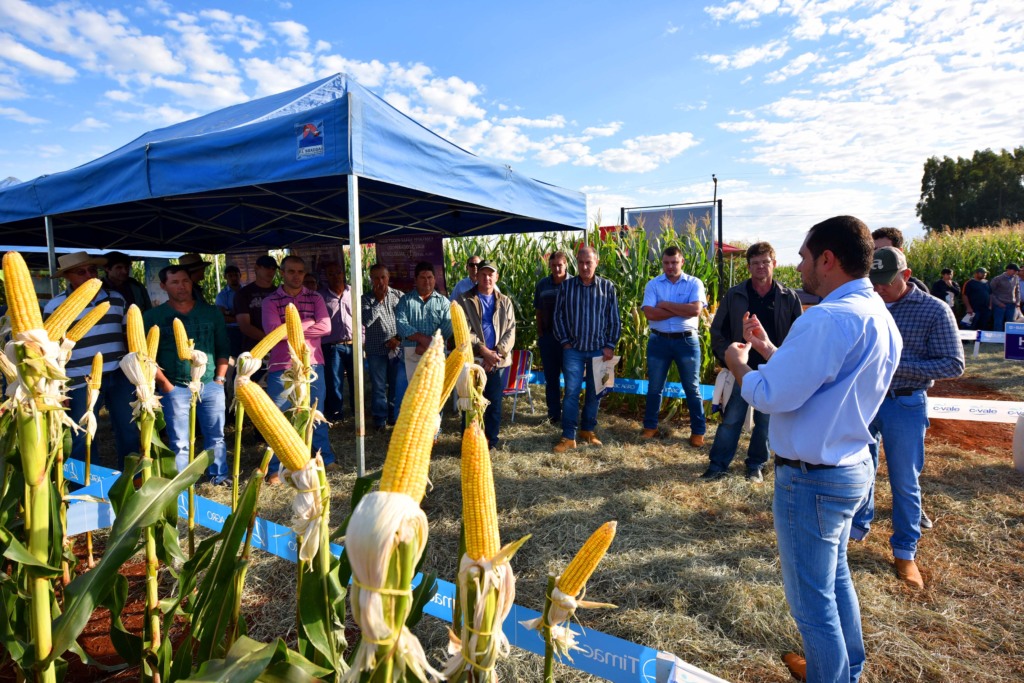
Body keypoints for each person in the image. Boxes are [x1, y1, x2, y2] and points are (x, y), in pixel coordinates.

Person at [724, 215, 901, 683]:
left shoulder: (826, 318)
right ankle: (847, 668)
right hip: (848, 467)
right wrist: (769, 349)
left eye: (803, 256)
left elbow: (771, 396)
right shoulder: (876, 314)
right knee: (835, 579)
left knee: (811, 602)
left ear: (828, 259)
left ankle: (831, 675)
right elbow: (823, 383)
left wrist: (741, 365)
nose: (798, 267)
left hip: (811, 477)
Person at [850, 247, 964, 590]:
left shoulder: (934, 310)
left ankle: (904, 552)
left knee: (904, 481)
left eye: (886, 282)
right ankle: (857, 528)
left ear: (907, 275)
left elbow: (954, 364)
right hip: (866, 401)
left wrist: (896, 366)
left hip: (905, 402)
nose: (880, 289)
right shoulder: (867, 305)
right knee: (858, 469)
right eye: (874, 282)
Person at [704, 242, 802, 482]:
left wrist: (786, 364)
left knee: (765, 422)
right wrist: (729, 359)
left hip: (773, 369)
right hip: (742, 370)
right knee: (732, 419)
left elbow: (799, 336)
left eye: (765, 262)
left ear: (774, 264)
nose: (760, 267)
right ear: (748, 267)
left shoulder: (789, 297)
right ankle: (717, 465)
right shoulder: (735, 295)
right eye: (755, 263)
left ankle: (755, 465)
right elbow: (718, 331)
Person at [44, 251, 139, 468]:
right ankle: (85, 489)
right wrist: (57, 389)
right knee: (81, 436)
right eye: (81, 272)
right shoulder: (54, 306)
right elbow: (48, 350)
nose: (89, 275)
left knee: (130, 428)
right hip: (78, 378)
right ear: (67, 277)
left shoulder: (116, 298)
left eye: (92, 270)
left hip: (118, 375)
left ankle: (132, 480)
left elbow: (128, 337)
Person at [144, 264, 231, 485]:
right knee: (180, 440)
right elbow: (145, 356)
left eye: (185, 281)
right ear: (164, 286)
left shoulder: (211, 313)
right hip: (175, 385)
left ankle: (218, 477)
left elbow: (222, 348)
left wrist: (220, 380)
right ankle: (181, 481)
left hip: (210, 383)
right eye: (174, 282)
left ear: (191, 283)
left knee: (216, 435)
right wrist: (164, 384)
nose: (181, 286)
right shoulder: (154, 316)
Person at [262, 255, 336, 481]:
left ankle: (324, 459)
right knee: (280, 417)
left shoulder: (315, 298)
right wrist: (306, 324)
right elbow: (274, 331)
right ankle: (275, 467)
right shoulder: (270, 301)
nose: (296, 276)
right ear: (282, 273)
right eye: (291, 271)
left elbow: (326, 327)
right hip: (282, 365)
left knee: (316, 413)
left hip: (312, 363)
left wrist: (292, 328)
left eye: (300, 272)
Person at [552, 246, 621, 453]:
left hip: (599, 351)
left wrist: (609, 346)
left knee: (595, 392)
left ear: (596, 262)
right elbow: (558, 317)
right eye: (580, 262)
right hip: (573, 350)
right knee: (572, 392)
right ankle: (568, 435)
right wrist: (565, 342)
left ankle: (588, 430)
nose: (584, 266)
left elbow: (614, 320)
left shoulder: (608, 288)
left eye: (588, 262)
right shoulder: (566, 287)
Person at [640, 245, 707, 447]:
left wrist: (665, 305)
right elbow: (650, 314)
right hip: (659, 340)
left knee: (692, 388)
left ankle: (698, 432)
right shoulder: (653, 284)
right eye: (666, 263)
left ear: (682, 262)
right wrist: (680, 310)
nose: (670, 266)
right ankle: (650, 427)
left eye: (674, 262)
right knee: (654, 387)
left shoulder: (694, 283)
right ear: (662, 263)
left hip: (686, 341)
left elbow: (695, 310)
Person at [457, 260, 516, 449]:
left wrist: (496, 354)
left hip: (497, 362)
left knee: (493, 404)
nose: (487, 278)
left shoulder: (505, 301)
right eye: (483, 274)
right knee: (471, 403)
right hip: (474, 361)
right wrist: (483, 351)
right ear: (477, 276)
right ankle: (469, 440)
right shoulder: (464, 300)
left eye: (491, 274)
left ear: (496, 277)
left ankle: (490, 441)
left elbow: (511, 331)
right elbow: (463, 330)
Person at [362, 264, 406, 430]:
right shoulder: (365, 299)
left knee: (396, 384)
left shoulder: (398, 296)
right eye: (376, 278)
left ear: (388, 278)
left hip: (396, 348)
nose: (380, 281)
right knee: (379, 386)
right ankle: (380, 419)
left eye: (383, 277)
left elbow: (405, 320)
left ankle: (394, 417)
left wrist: (398, 338)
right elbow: (366, 320)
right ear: (371, 279)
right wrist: (379, 302)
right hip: (376, 351)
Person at [396, 261, 454, 380]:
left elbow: (447, 327)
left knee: (433, 396)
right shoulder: (405, 301)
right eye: (422, 277)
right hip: (411, 354)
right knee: (408, 396)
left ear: (435, 279)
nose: (426, 281)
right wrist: (422, 339)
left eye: (429, 277)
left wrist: (429, 345)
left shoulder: (444, 302)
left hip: (435, 355)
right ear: (416, 280)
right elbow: (401, 324)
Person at [534, 251, 571, 425]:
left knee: (572, 379)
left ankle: (570, 414)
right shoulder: (542, 285)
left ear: (566, 265)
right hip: (548, 338)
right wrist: (540, 333)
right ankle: (554, 415)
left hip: (570, 341)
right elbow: (538, 311)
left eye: (560, 265)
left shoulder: (574, 284)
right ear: (549, 266)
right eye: (554, 265)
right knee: (552, 379)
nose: (557, 268)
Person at [318, 261, 354, 422]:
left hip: (354, 345)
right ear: (326, 277)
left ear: (343, 273)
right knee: (334, 382)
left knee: (356, 380)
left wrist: (363, 339)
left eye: (338, 273)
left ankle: (356, 411)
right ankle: (336, 414)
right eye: (331, 274)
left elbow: (361, 319)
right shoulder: (321, 297)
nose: (335, 277)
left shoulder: (353, 293)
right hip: (333, 347)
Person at [234, 255, 279, 354]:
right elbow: (245, 326)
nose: (271, 271)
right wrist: (270, 340)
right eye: (267, 267)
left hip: (278, 349)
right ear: (256, 268)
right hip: (254, 349)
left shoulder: (279, 292)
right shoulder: (244, 293)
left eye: (273, 269)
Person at [871, 227, 928, 292]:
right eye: (874, 249)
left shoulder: (918, 288)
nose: (878, 252)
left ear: (899, 251)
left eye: (885, 249)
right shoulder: (865, 283)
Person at [216, 264, 243, 358]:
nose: (234, 278)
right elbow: (222, 317)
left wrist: (231, 312)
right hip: (232, 331)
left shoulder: (246, 292)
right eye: (230, 276)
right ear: (225, 277)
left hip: (248, 330)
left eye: (236, 275)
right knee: (234, 357)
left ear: (240, 275)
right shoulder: (222, 296)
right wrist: (242, 317)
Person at [988, 263, 1020, 331]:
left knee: (1011, 323)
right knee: (998, 323)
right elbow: (990, 293)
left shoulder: (1016, 278)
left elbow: (1017, 291)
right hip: (1000, 305)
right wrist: (998, 303)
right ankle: (997, 339)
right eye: (1014, 270)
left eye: (1016, 271)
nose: (1015, 272)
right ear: (1008, 270)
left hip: (1011, 305)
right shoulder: (997, 279)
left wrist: (1017, 302)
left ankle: (1009, 339)